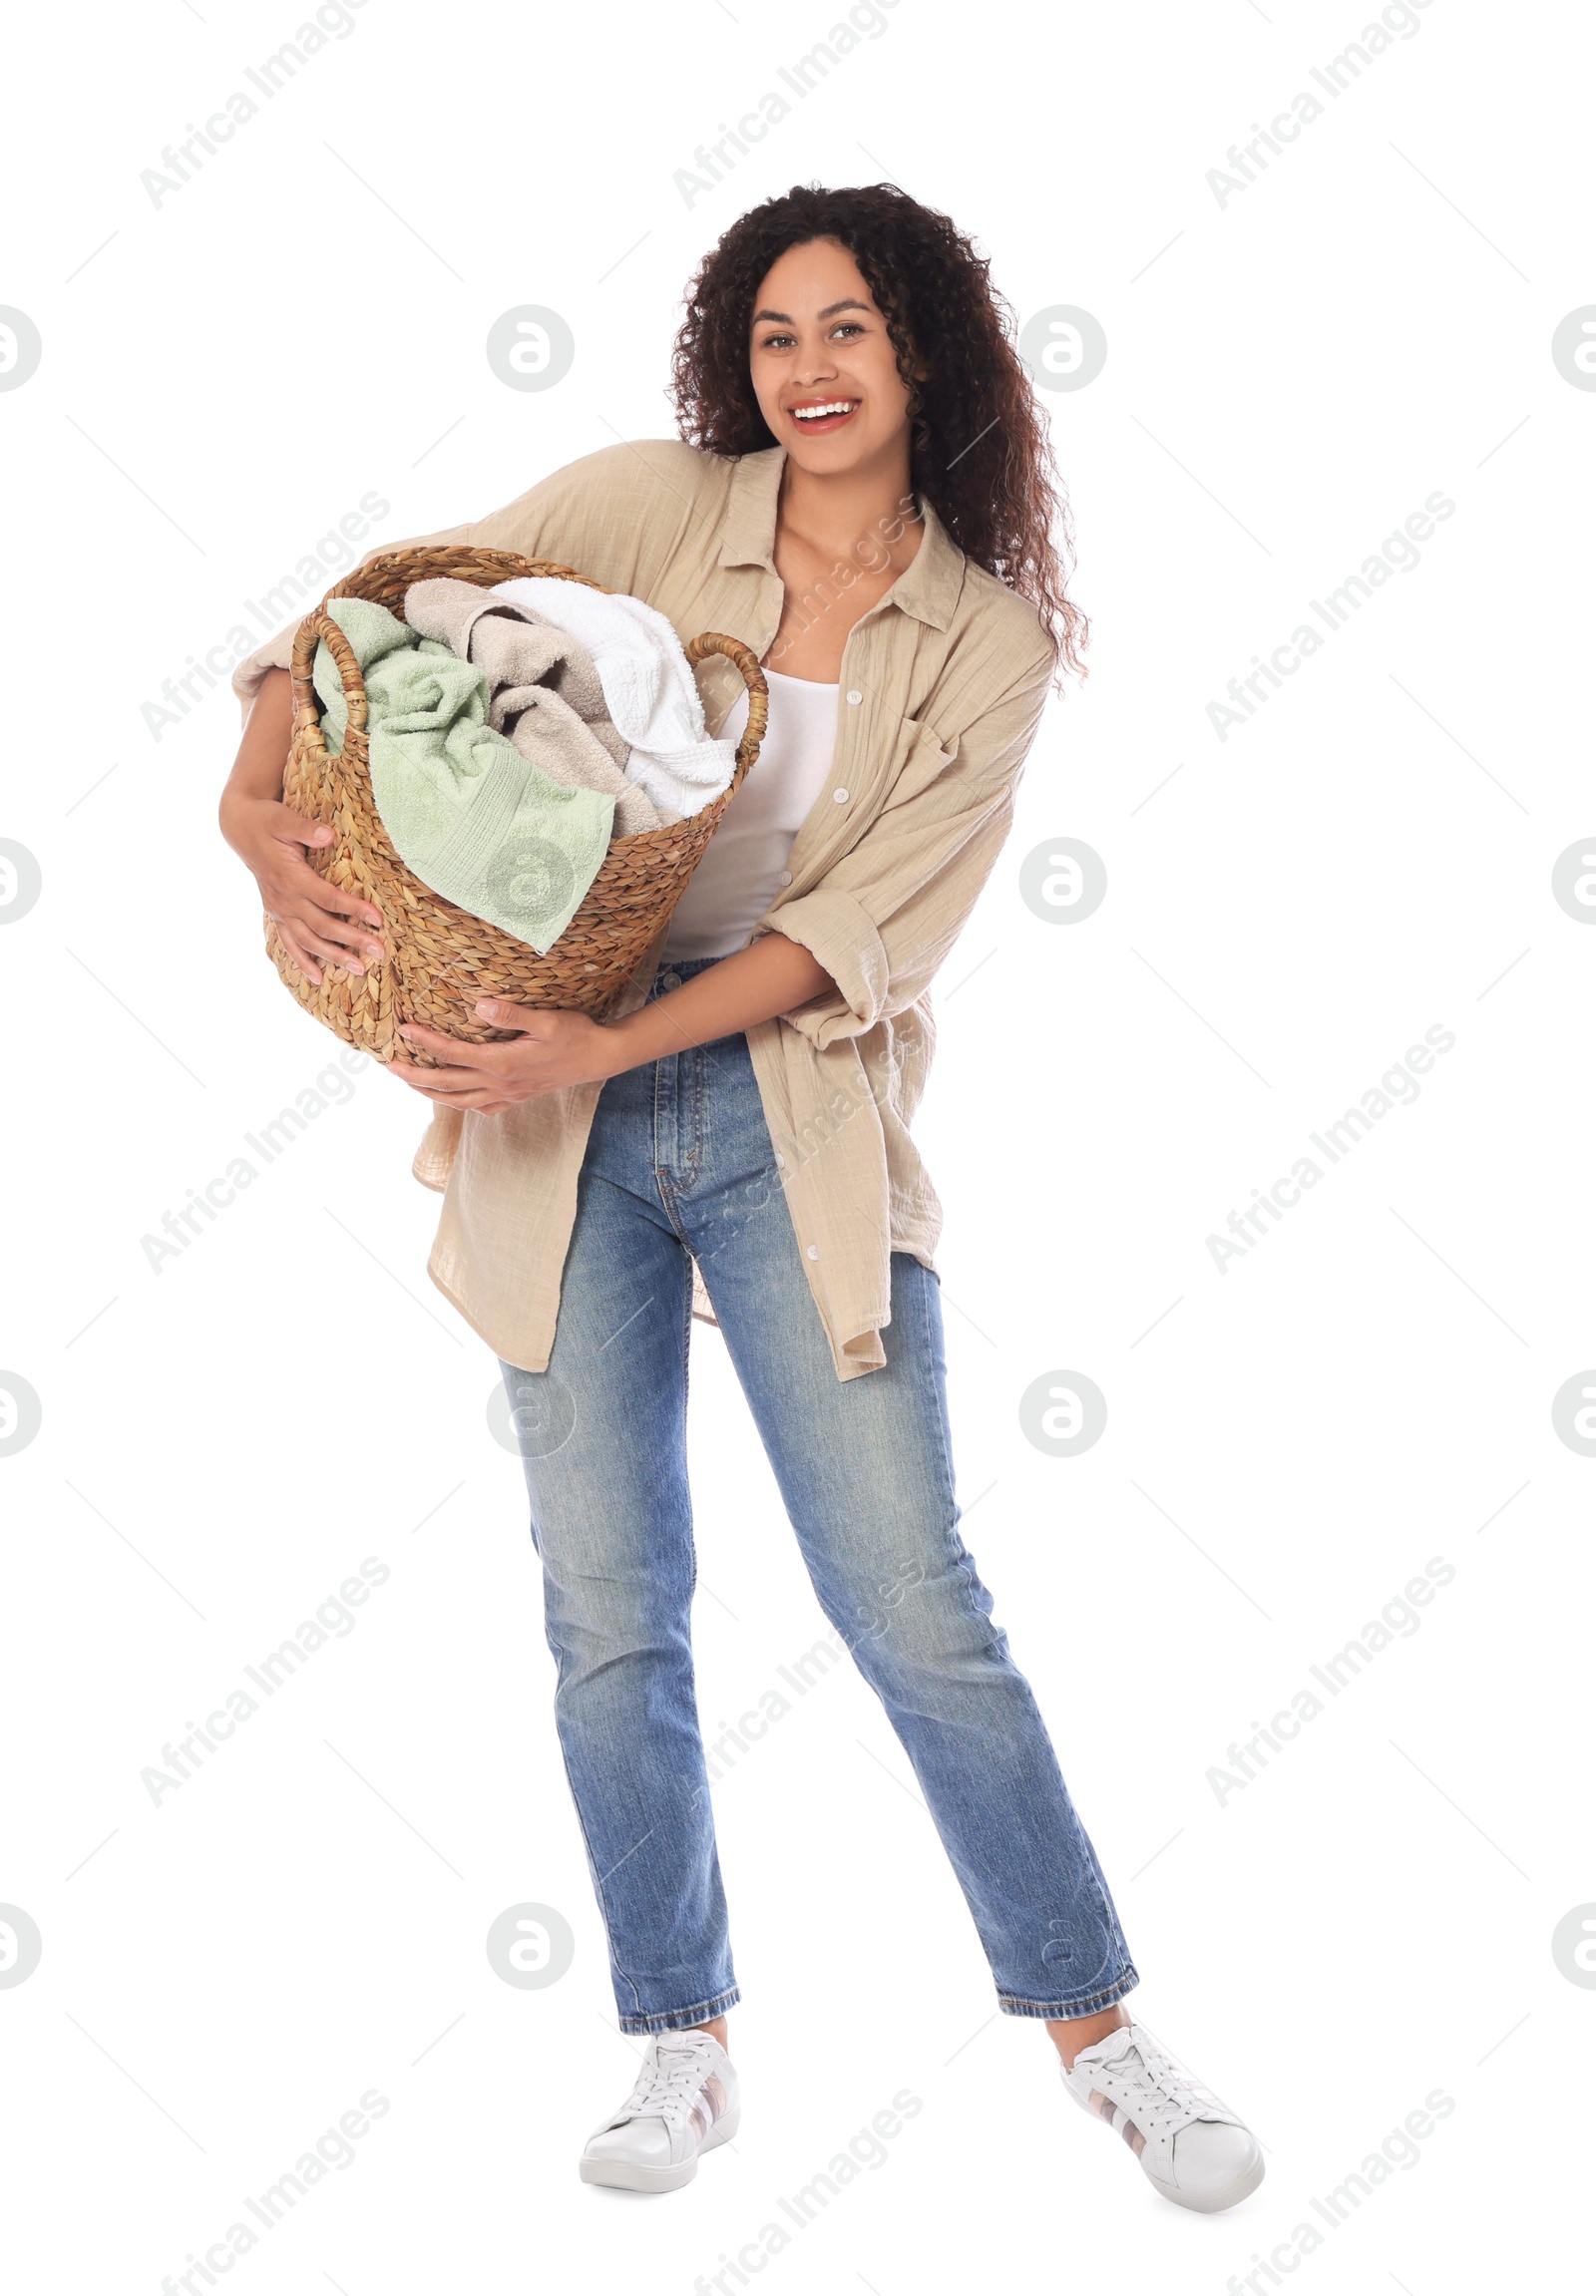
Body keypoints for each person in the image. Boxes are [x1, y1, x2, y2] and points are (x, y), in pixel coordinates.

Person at [220, 183, 1263, 2215]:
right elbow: (355, 614)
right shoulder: (635, 505)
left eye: (849, 328)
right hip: (552, 1121)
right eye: (775, 331)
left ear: (926, 354)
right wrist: (252, 814)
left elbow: (880, 924)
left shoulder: (982, 640)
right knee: (610, 1613)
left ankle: (1095, 2027)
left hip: (785, 1116)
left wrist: (606, 1052)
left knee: (913, 1603)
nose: (808, 368)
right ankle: (675, 2037)